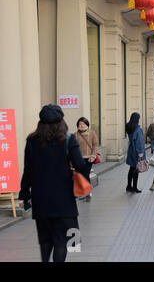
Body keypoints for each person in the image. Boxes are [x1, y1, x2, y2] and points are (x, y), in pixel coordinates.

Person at [19, 104, 87, 262]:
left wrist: (24, 194)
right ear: (61, 121)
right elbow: (80, 165)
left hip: (40, 200)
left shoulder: (31, 141)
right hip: (63, 201)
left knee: (45, 241)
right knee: (62, 242)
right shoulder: (68, 139)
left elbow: (27, 171)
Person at [75, 117, 98, 202]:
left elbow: (95, 145)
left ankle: (87, 192)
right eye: (80, 124)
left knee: (86, 175)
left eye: (83, 123)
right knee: (79, 176)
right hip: (78, 159)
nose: (82, 125)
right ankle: (80, 192)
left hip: (89, 158)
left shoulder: (92, 133)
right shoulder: (75, 134)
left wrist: (93, 156)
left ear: (87, 124)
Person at [125, 113, 146, 193]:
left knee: (131, 169)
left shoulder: (129, 127)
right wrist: (140, 153)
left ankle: (129, 186)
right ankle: (134, 187)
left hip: (131, 150)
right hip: (137, 152)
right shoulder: (138, 129)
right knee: (136, 170)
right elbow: (139, 142)